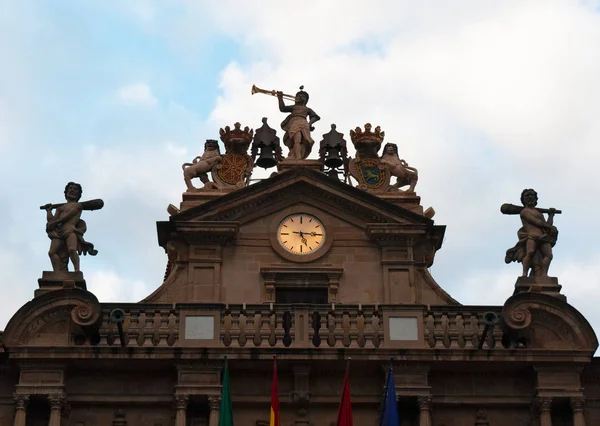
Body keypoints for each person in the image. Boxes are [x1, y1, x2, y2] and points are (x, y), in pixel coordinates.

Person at [43, 182, 98, 272]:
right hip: (59, 232)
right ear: (66, 192)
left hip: (70, 230)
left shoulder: (78, 205)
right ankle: (58, 273)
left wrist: (56, 222)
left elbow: (68, 216)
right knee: (52, 253)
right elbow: (52, 221)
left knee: (72, 249)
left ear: (78, 194)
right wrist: (49, 211)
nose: (72, 190)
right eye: (70, 188)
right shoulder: (60, 208)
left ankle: (77, 270)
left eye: (75, 189)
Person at [505, 189, 557, 277]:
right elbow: (536, 222)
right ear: (523, 199)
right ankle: (524, 273)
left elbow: (546, 225)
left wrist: (551, 215)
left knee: (549, 255)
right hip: (532, 236)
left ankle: (544, 275)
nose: (530, 197)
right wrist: (549, 227)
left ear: (536, 198)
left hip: (542, 237)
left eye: (532, 195)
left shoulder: (539, 213)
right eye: (527, 195)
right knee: (530, 252)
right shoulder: (524, 212)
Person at [278, 86, 320, 160]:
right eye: (298, 96)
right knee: (297, 139)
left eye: (303, 96)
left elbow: (315, 117)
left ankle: (299, 156)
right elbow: (282, 108)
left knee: (305, 141)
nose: (300, 97)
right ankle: (296, 156)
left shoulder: (307, 109)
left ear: (306, 100)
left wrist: (310, 123)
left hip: (304, 123)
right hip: (293, 123)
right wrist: (280, 98)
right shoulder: (294, 107)